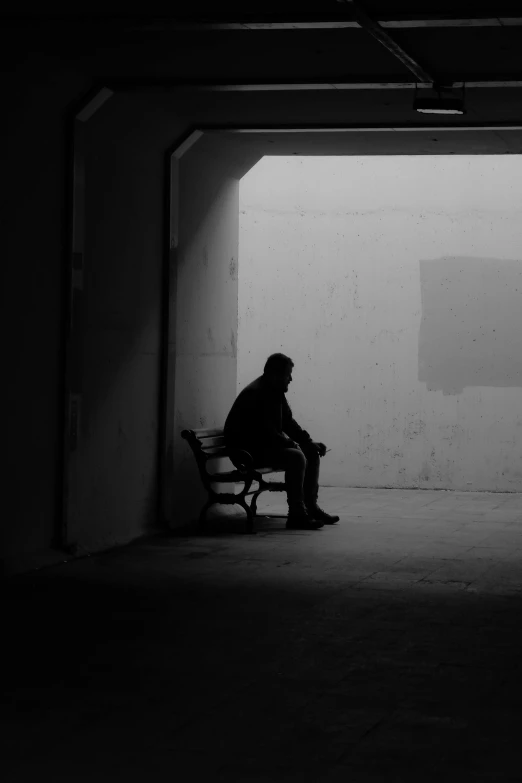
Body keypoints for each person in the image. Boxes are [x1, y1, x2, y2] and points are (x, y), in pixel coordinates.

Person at [224, 353, 340, 530]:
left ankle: (311, 508)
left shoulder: (274, 391)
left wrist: (308, 443)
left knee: (310, 452)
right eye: (288, 374)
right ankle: (297, 515)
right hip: (248, 452)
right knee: (296, 457)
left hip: (262, 447)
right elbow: (265, 433)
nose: (291, 379)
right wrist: (295, 445)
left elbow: (288, 423)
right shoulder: (256, 394)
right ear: (274, 374)